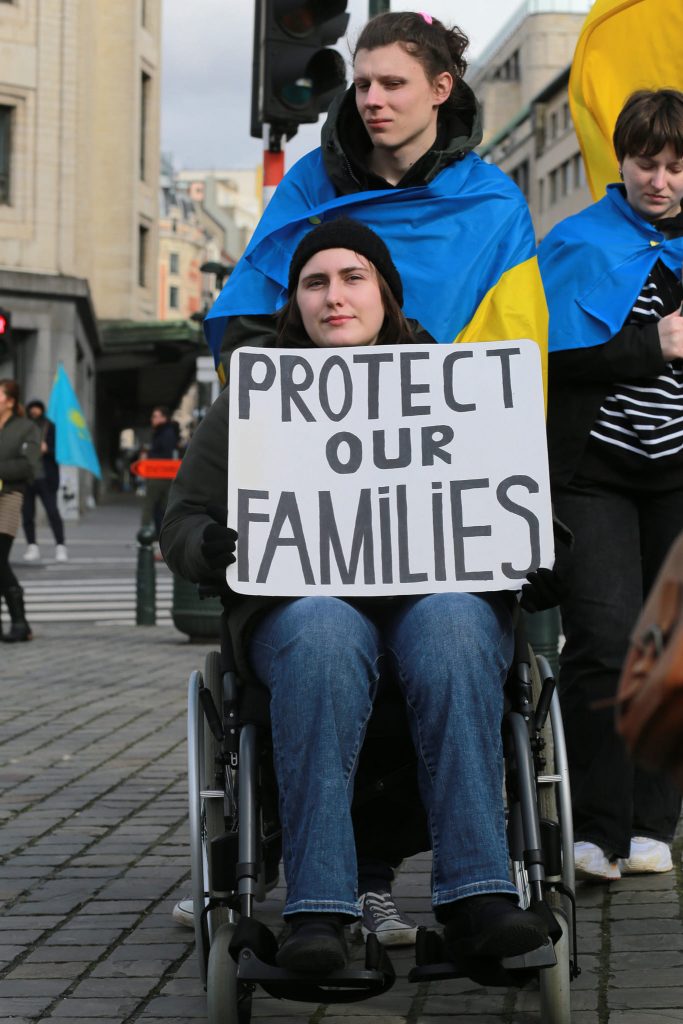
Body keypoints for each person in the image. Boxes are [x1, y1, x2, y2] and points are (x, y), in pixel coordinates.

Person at [189, 9, 548, 946]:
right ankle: (321, 898)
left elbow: (510, 374)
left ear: (440, 89)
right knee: (314, 635)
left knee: (453, 627)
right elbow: (247, 334)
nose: (373, 98)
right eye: (363, 82)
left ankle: (470, 892)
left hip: (431, 515)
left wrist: (524, 530)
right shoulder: (306, 191)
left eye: (393, 81)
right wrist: (254, 475)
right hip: (313, 563)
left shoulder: (492, 204)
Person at [539, 89, 683, 882]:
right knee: (600, 642)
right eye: (643, 163)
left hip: (677, 475)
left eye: (673, 165)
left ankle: (653, 821)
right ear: (618, 161)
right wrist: (650, 344)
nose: (658, 180)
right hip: (591, 474)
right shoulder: (575, 243)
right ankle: (593, 826)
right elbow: (546, 363)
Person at [0, 379, 40, 642]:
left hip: (8, 497)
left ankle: (20, 620)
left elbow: (28, 467)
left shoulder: (26, 428)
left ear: (10, 401)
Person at [21, 399, 67, 563]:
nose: (34, 411)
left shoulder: (50, 426)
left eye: (37, 409)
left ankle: (60, 546)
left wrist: (48, 449)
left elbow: (61, 451)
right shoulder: (23, 427)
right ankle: (32, 546)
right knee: (27, 515)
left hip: (46, 478)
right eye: (31, 409)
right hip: (27, 478)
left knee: (52, 512)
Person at [140, 406, 180, 541]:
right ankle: (161, 538)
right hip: (164, 474)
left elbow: (164, 454)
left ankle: (144, 537)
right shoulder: (166, 431)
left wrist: (149, 456)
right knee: (161, 508)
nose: (152, 419)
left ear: (164, 418)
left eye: (155, 416)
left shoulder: (165, 433)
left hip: (159, 473)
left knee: (150, 505)